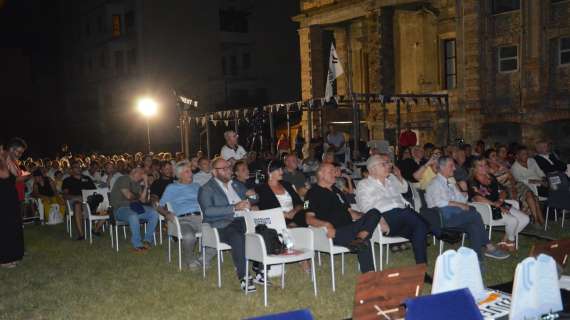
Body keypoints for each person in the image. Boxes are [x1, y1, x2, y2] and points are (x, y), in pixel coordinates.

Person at [356, 154, 430, 275]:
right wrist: (380, 220)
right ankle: (436, 230)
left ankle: (422, 271)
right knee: (419, 224)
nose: (388, 166)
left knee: (419, 229)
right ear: (373, 169)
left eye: (387, 163)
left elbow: (402, 196)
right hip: (386, 217)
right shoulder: (364, 184)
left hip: (403, 216)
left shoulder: (390, 182)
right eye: (383, 164)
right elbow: (364, 206)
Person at [425, 157, 509, 261]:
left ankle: (477, 259)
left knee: (473, 226)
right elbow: (439, 202)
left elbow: (462, 200)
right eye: (451, 166)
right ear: (442, 168)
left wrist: (463, 192)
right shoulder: (435, 183)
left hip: (454, 215)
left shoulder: (450, 183)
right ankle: (489, 246)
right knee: (474, 215)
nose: (454, 168)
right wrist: (459, 205)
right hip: (441, 217)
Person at [305, 163, 381, 273]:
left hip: (350, 228)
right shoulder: (311, 193)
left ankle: (359, 239)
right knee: (365, 241)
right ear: (321, 174)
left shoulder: (337, 191)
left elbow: (351, 213)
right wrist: (327, 225)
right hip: (334, 233)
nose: (334, 174)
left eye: (334, 170)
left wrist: (367, 218)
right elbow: (308, 218)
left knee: (374, 212)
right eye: (330, 171)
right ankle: (369, 272)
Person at [197, 158, 257, 292]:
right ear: (214, 172)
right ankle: (244, 276)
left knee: (263, 229)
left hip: (244, 220)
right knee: (237, 236)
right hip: (222, 225)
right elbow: (208, 211)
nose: (228, 171)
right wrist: (234, 208)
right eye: (223, 169)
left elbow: (254, 198)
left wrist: (251, 197)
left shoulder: (236, 185)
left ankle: (260, 269)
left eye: (228, 168)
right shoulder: (206, 189)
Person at [469, 157, 529, 251]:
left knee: (525, 219)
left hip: (500, 204)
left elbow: (503, 190)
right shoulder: (472, 181)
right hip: (486, 209)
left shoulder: (491, 177)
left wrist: (500, 200)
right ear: (474, 168)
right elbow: (477, 198)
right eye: (480, 166)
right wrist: (495, 204)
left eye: (485, 164)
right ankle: (511, 241)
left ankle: (506, 239)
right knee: (512, 220)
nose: (484, 167)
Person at [157, 161, 203, 269]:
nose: (191, 173)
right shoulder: (172, 187)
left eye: (190, 171)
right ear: (179, 175)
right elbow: (159, 206)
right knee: (188, 236)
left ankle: (203, 259)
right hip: (184, 219)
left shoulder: (197, 186)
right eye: (187, 172)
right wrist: (166, 213)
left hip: (201, 218)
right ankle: (190, 259)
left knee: (219, 232)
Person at [486, 149, 544, 225]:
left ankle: (540, 221)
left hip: (515, 184)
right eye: (493, 156)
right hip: (504, 188)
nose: (496, 157)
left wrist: (513, 187)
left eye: (496, 155)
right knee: (531, 197)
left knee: (531, 195)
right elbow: (495, 185)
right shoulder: (487, 171)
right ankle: (536, 221)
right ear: (488, 159)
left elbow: (511, 177)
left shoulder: (501, 165)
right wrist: (511, 189)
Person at [110, 166, 160, 252]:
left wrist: (146, 184)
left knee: (154, 213)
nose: (141, 176)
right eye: (140, 173)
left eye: (143, 174)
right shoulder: (124, 179)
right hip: (120, 209)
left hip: (135, 207)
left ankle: (147, 240)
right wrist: (138, 197)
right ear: (133, 172)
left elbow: (143, 200)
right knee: (133, 215)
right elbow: (128, 196)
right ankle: (137, 244)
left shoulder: (136, 184)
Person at [255, 160, 307, 227]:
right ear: (269, 172)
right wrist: (283, 215)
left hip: (296, 216)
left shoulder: (287, 185)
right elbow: (264, 209)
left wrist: (294, 211)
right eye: (278, 170)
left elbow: (299, 203)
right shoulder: (263, 189)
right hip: (277, 220)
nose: (282, 172)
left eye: (281, 169)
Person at [0, 148, 25, 268]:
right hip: (3, 199)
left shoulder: (6, 159)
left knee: (13, 225)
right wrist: (4, 159)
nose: (2, 150)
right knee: (5, 227)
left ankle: (14, 254)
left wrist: (9, 158)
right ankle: (4, 260)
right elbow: (4, 175)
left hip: (11, 197)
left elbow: (16, 174)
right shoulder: (1, 162)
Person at [62, 161, 96, 240]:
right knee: (77, 204)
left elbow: (94, 192)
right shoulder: (67, 180)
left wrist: (87, 198)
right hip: (73, 201)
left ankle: (96, 229)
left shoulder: (87, 178)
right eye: (76, 167)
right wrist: (76, 197)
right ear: (72, 170)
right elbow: (65, 195)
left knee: (102, 201)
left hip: (87, 200)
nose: (79, 168)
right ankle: (81, 234)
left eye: (79, 167)